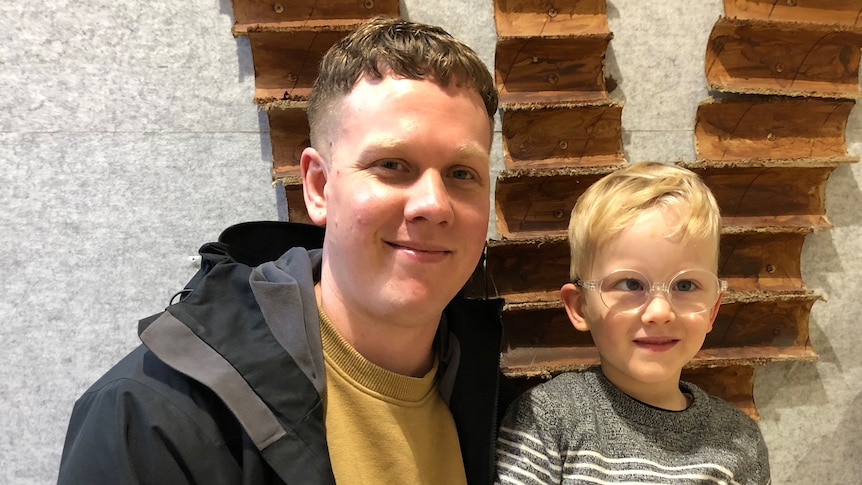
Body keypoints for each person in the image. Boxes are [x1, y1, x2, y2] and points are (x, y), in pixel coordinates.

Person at [59, 16, 515, 484]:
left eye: (462, 173)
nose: (434, 205)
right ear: (317, 187)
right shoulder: (153, 418)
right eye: (392, 164)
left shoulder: (492, 393)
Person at [495, 162, 771, 484]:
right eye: (629, 284)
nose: (659, 311)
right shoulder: (547, 417)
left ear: (712, 309)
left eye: (685, 286)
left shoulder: (740, 441)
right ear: (581, 307)